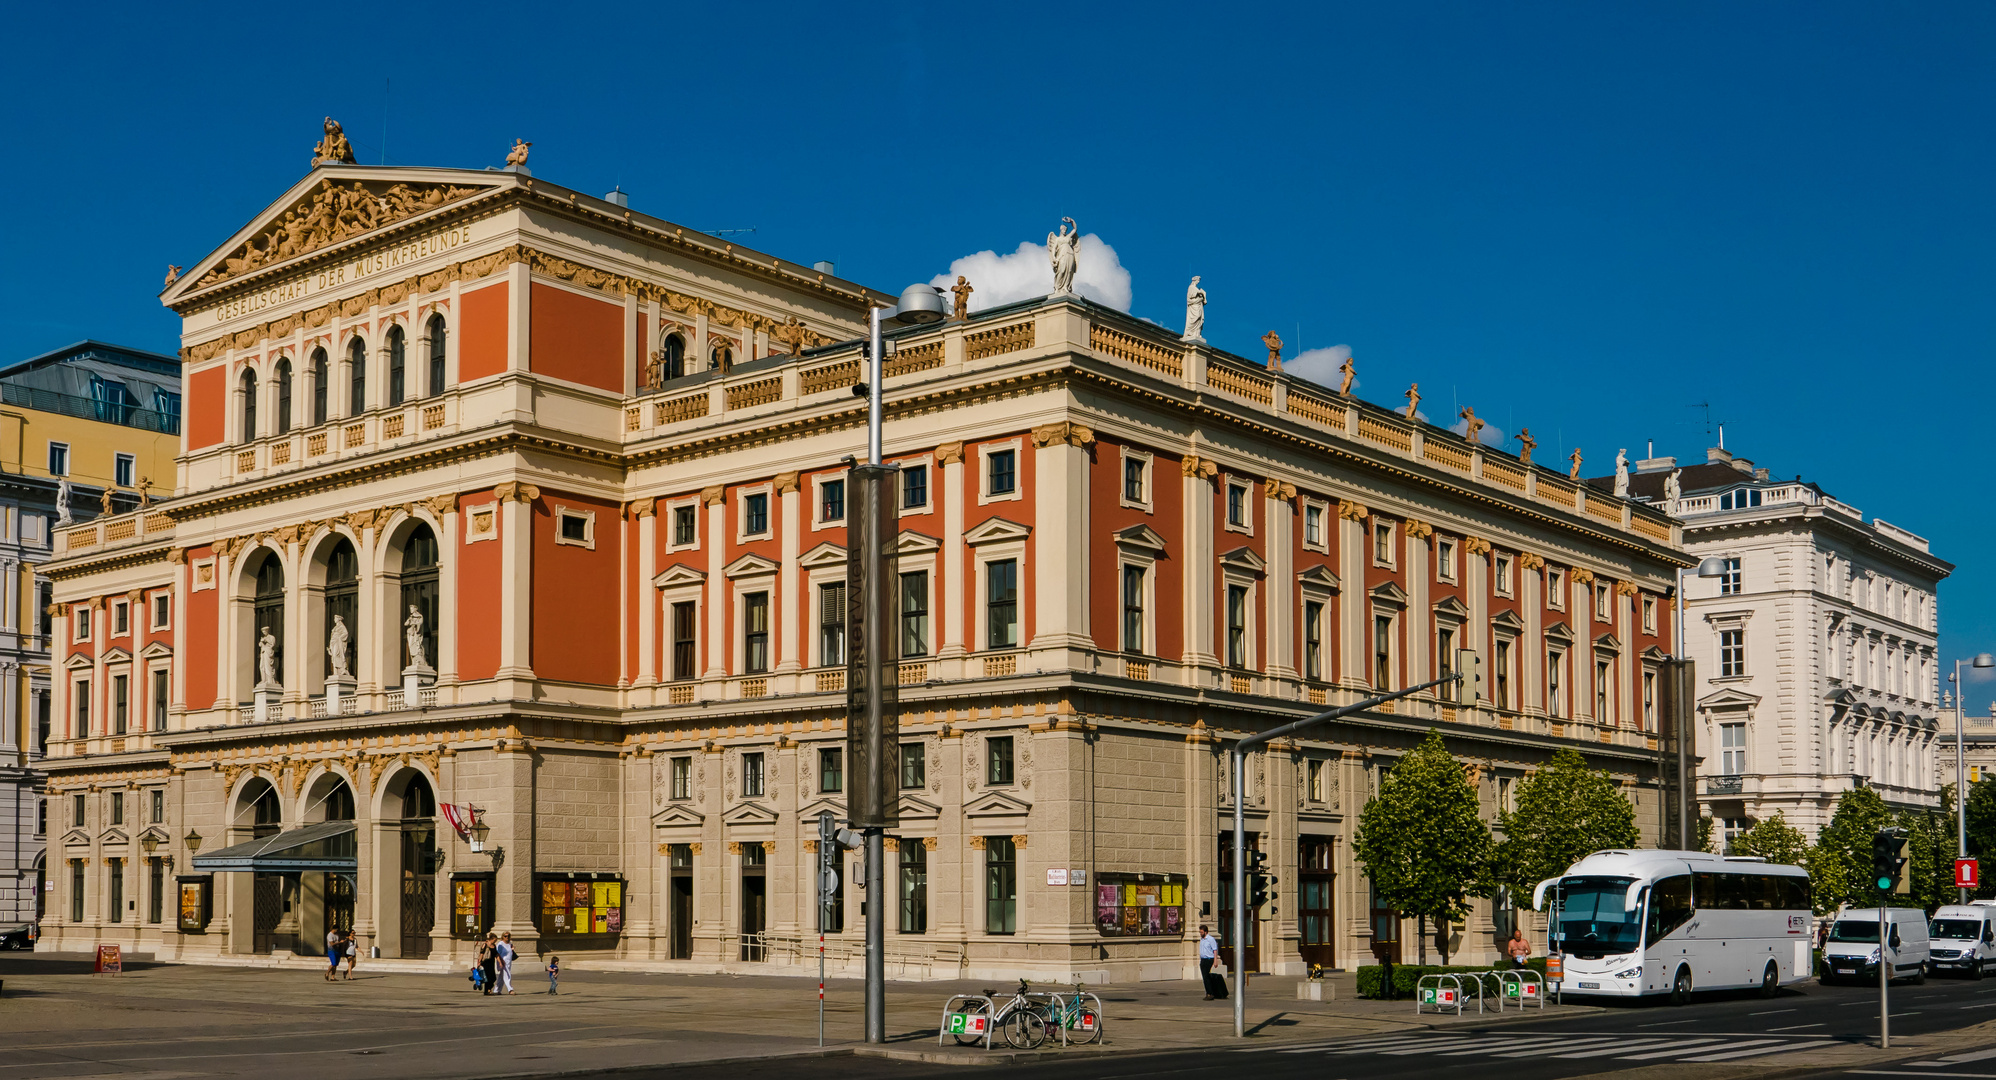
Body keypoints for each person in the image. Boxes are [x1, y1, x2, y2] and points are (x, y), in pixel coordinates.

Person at [1198, 925, 1228, 1000]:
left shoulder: (1211, 939)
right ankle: (1209, 992)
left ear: (1206, 932)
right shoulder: (1202, 939)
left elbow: (1215, 950)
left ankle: (1210, 993)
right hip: (1203, 959)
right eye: (1200, 932)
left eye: (1201, 932)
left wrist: (1215, 961)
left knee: (1206, 976)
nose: (1200, 934)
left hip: (1209, 959)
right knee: (1205, 977)